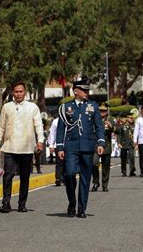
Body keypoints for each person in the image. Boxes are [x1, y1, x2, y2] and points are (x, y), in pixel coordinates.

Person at [56, 78, 105, 218]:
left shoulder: (92, 106)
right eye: (83, 90)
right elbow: (61, 129)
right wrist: (59, 147)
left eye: (87, 90)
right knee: (70, 174)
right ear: (75, 91)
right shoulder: (66, 107)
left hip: (88, 146)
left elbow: (99, 126)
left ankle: (81, 208)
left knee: (85, 178)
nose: (86, 92)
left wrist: (101, 143)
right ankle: (72, 201)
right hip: (71, 146)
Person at [0, 82, 44, 213]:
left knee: (25, 177)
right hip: (10, 147)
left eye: (21, 91)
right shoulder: (6, 107)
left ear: (25, 92)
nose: (18, 94)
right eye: (16, 92)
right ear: (12, 92)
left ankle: (22, 204)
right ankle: (6, 203)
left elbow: (38, 125)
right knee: (8, 175)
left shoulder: (32, 107)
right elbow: (1, 127)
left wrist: (40, 141)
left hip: (27, 147)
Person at [91, 103, 114, 192]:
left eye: (104, 111)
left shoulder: (110, 119)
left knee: (106, 167)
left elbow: (117, 130)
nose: (102, 112)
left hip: (106, 146)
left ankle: (105, 184)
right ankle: (96, 182)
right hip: (96, 145)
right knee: (93, 163)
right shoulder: (93, 119)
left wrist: (111, 126)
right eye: (100, 110)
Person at [47, 116, 63, 186]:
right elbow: (52, 133)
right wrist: (51, 145)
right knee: (59, 162)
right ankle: (58, 178)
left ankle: (66, 178)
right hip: (58, 145)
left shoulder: (70, 119)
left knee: (67, 162)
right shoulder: (55, 121)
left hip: (68, 145)